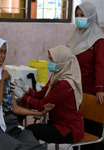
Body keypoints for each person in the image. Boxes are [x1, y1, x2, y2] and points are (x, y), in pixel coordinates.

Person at [0, 37, 54, 150]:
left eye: (5, 52)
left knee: (36, 147)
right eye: (0, 52)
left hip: (10, 125)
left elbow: (14, 108)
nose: (3, 56)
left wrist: (40, 113)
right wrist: (1, 81)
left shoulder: (5, 75)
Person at [13, 45, 84, 144]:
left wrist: (22, 95)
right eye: (49, 58)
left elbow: (41, 105)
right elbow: (41, 95)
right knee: (29, 130)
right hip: (58, 124)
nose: (49, 62)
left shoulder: (65, 84)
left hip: (68, 129)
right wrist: (26, 88)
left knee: (31, 131)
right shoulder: (57, 75)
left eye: (52, 59)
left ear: (61, 61)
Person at [67, 2, 104, 150]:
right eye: (77, 15)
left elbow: (101, 65)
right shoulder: (76, 36)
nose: (79, 18)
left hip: (91, 90)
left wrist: (100, 88)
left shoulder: (98, 39)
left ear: (91, 17)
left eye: (82, 15)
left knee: (92, 128)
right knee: (78, 129)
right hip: (76, 89)